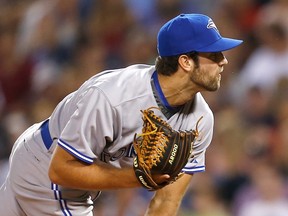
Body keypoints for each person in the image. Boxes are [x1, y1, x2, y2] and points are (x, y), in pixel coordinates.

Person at [0, 13, 242, 216]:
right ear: (186, 62)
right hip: (46, 164)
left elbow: (166, 201)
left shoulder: (201, 120)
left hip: (66, 171)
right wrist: (138, 177)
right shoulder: (113, 96)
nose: (224, 61)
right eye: (214, 55)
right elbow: (60, 170)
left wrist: (141, 178)